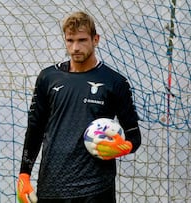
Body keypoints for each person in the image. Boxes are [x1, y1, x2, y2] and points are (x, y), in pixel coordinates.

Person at [17, 11, 141, 203]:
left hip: (96, 189)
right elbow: (35, 130)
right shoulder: (47, 77)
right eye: (70, 40)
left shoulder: (115, 82)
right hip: (52, 187)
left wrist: (123, 147)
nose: (75, 47)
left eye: (82, 40)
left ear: (95, 39)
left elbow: (134, 134)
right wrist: (24, 175)